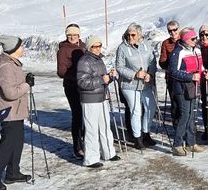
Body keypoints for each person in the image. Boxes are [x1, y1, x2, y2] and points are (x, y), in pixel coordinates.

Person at [0, 35, 33, 190]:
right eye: (21, 46)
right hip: (9, 112)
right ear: (13, 49)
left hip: (16, 111)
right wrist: (27, 85)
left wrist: (25, 79)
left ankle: (13, 172)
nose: (23, 48)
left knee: (17, 143)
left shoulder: (13, 64)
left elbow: (14, 84)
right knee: (7, 146)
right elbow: (10, 93)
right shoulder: (6, 67)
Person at [77, 35, 121, 168]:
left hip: (101, 98)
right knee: (92, 129)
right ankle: (91, 159)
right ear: (89, 47)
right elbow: (82, 82)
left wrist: (110, 77)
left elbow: (103, 80)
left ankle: (108, 153)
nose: (97, 49)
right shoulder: (84, 61)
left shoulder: (99, 59)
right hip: (90, 99)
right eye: (94, 46)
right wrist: (102, 79)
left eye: (99, 46)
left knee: (105, 126)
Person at [115, 23, 157, 149]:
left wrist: (150, 74)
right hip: (129, 84)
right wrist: (134, 74)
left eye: (133, 35)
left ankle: (146, 133)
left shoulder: (146, 45)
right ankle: (137, 138)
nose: (130, 37)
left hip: (145, 83)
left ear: (139, 35)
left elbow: (152, 61)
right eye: (128, 35)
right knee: (136, 110)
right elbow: (119, 67)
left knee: (150, 107)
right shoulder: (123, 48)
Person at [168, 28, 208, 155]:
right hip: (182, 88)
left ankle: (191, 142)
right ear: (185, 39)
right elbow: (173, 71)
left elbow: (200, 66)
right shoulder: (178, 52)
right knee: (185, 115)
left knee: (192, 115)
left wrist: (204, 72)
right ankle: (177, 144)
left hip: (194, 86)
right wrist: (190, 77)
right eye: (193, 38)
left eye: (196, 38)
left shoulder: (196, 50)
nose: (196, 40)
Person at [56, 23, 86, 159]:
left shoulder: (84, 46)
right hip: (72, 86)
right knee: (77, 115)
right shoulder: (63, 50)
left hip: (85, 86)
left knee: (86, 114)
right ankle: (77, 147)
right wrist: (77, 74)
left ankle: (87, 142)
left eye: (75, 35)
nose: (72, 37)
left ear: (79, 35)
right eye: (69, 35)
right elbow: (61, 71)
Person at [158, 20, 181, 127]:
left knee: (185, 104)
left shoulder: (184, 40)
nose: (172, 32)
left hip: (185, 77)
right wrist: (169, 63)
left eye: (174, 30)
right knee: (175, 104)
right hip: (172, 78)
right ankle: (176, 127)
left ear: (178, 29)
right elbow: (162, 61)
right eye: (170, 31)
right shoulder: (166, 43)